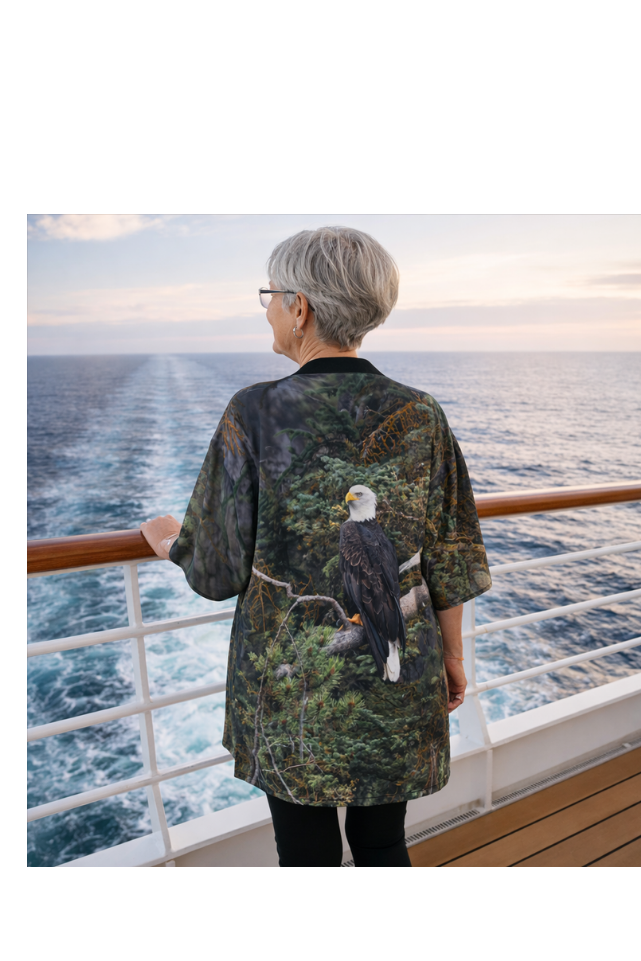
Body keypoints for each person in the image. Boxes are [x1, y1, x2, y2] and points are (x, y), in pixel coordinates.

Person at [141, 227, 491, 866]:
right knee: (383, 843)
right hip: (400, 675)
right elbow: (452, 555)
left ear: (298, 307)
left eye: (271, 296)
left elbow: (216, 571)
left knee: (306, 852)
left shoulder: (254, 411)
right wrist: (452, 655)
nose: (268, 311)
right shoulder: (422, 413)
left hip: (293, 686)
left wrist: (168, 541)